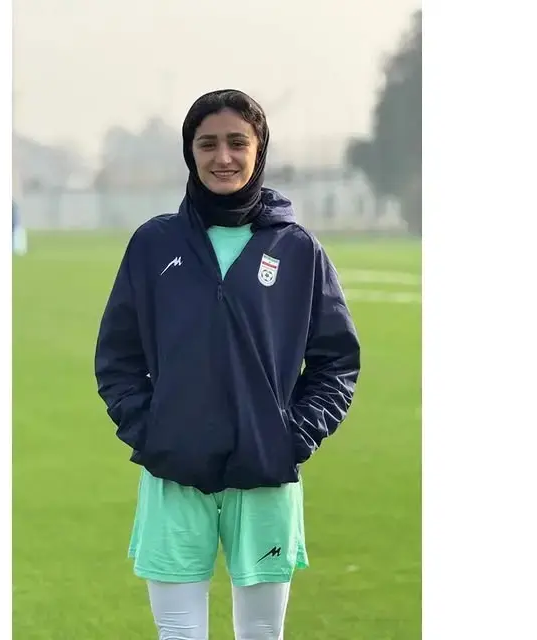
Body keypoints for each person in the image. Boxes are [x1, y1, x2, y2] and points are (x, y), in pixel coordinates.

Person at [94, 89, 361, 639]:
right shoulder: (153, 244)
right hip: (173, 474)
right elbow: (118, 358)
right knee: (179, 632)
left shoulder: (297, 249)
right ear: (189, 152)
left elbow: (336, 360)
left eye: (238, 142)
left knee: (261, 633)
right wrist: (152, 432)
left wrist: (292, 436)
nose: (223, 157)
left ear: (259, 150)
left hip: (265, 473)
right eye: (207, 143)